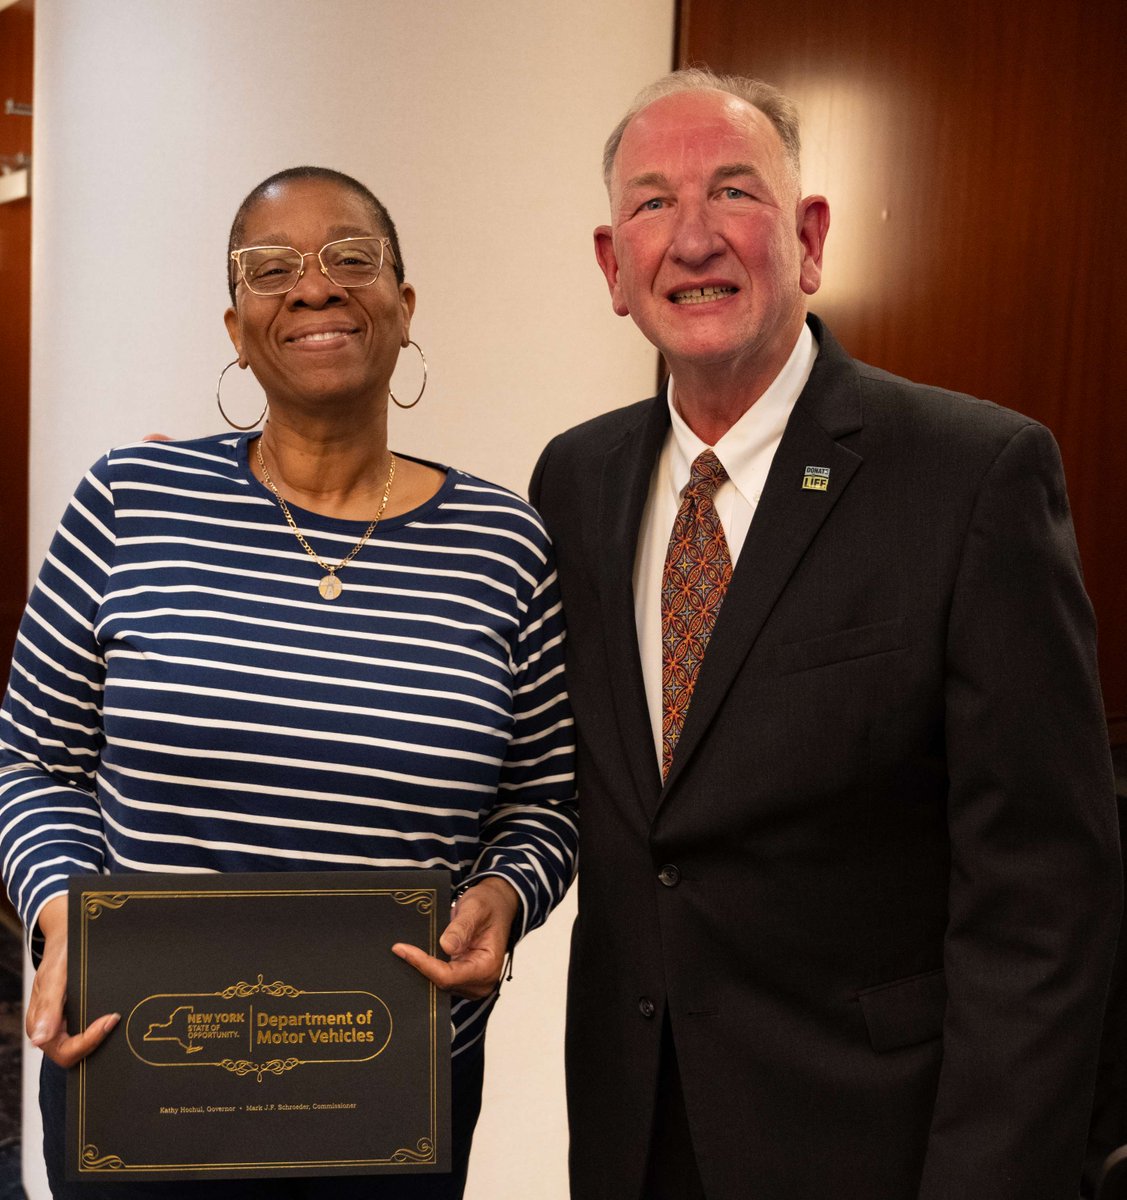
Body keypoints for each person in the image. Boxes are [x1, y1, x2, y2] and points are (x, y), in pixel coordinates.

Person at [529, 68, 1121, 1199]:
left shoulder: (971, 475)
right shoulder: (572, 481)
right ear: (612, 266)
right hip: (631, 1138)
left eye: (733, 193)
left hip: (877, 1151)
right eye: (651, 204)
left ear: (807, 241)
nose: (691, 237)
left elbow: (1044, 904)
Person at [0, 165, 578, 1199]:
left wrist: (504, 894)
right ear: (235, 326)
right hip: (135, 1068)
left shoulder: (503, 544)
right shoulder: (130, 501)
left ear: (403, 307)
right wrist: (59, 914)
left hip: (389, 1091)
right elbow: (36, 762)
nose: (313, 289)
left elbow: (544, 796)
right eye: (272, 269)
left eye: (350, 258)